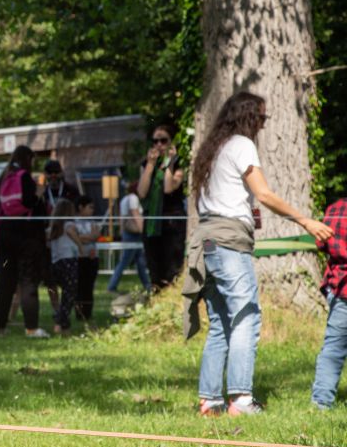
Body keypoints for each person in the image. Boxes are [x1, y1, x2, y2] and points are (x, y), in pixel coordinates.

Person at [181, 92, 332, 416]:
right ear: (249, 117)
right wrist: (305, 220)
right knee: (247, 315)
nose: (263, 125)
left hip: (207, 240)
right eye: (262, 118)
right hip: (229, 243)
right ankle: (241, 399)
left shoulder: (214, 149)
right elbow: (263, 193)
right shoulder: (241, 145)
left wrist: (246, 213)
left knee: (221, 321)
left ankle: (209, 400)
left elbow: (220, 200)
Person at [0, 145, 50, 339]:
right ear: (28, 160)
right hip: (27, 239)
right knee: (28, 282)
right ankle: (31, 328)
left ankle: (0, 328)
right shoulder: (26, 178)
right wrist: (39, 193)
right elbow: (33, 205)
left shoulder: (2, 180)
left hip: (4, 239)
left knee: (5, 283)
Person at [137, 124, 186, 290]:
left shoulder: (179, 163)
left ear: (171, 142)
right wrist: (150, 166)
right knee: (154, 267)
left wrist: (170, 163)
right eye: (155, 141)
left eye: (163, 140)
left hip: (172, 222)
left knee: (171, 267)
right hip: (152, 222)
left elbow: (168, 187)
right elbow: (142, 192)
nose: (159, 145)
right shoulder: (146, 164)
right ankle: (156, 295)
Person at [312, 194, 347, 410]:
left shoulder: (337, 208)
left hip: (342, 288)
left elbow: (320, 242)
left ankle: (321, 401)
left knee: (333, 348)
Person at [47, 199, 85, 335]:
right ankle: (60, 322)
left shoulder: (53, 228)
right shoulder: (69, 224)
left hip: (56, 262)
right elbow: (71, 232)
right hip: (69, 261)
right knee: (69, 294)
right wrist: (80, 246)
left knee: (65, 295)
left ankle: (64, 326)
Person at [107, 182, 151, 293]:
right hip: (133, 234)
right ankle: (112, 285)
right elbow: (135, 214)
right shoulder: (133, 198)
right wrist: (142, 230)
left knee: (140, 262)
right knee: (125, 261)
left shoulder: (124, 199)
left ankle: (147, 285)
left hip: (128, 233)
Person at [74, 195, 100, 326]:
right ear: (80, 207)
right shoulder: (73, 222)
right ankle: (79, 313)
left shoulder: (93, 221)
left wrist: (85, 237)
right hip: (79, 258)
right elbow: (77, 237)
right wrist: (87, 237)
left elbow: (96, 235)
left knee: (89, 287)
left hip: (92, 258)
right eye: (90, 207)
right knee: (79, 287)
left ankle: (88, 313)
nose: (92, 210)